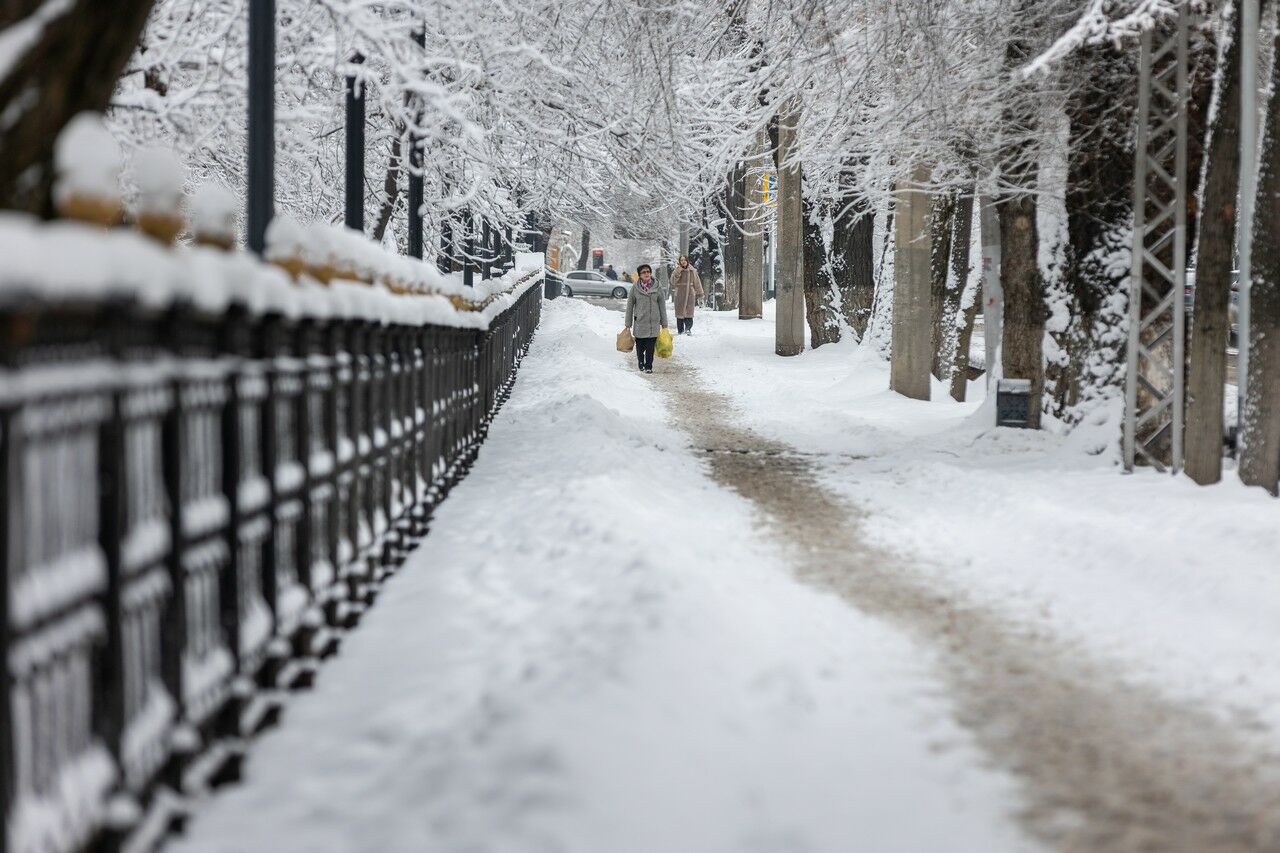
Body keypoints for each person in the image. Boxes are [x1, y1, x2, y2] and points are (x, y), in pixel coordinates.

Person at [623, 264, 668, 373]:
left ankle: (648, 366)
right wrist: (628, 324)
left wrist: (664, 323)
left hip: (654, 323)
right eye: (644, 272)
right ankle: (641, 362)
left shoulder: (657, 287)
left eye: (648, 271)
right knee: (640, 347)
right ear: (639, 275)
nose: (647, 274)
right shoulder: (635, 288)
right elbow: (630, 306)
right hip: (640, 322)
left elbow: (662, 306)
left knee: (650, 347)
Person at [670, 254, 704, 335]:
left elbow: (697, 283)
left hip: (690, 294)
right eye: (681, 260)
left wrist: (700, 294)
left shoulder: (692, 270)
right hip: (679, 294)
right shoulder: (676, 270)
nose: (683, 261)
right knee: (679, 313)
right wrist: (678, 272)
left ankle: (688, 329)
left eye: (684, 260)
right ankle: (680, 330)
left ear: (687, 261)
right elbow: (672, 282)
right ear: (679, 262)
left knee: (689, 313)